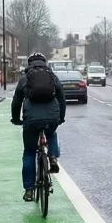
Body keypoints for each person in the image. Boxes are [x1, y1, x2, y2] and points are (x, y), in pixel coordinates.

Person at [11, 53, 66, 202]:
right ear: (44, 63)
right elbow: (61, 99)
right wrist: (60, 117)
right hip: (52, 116)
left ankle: (29, 190)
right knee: (52, 133)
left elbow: (16, 102)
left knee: (29, 152)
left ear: (29, 64)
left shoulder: (24, 79)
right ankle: (53, 157)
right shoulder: (53, 77)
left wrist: (16, 119)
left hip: (31, 120)